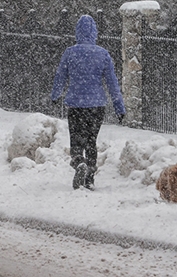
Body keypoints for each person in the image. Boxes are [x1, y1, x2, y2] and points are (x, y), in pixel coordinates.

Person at [51, 14, 126, 190]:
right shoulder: (103, 54)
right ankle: (90, 177)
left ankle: (78, 162)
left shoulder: (70, 53)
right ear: (94, 34)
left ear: (77, 32)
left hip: (76, 104)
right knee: (91, 140)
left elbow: (60, 77)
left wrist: (55, 96)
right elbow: (112, 83)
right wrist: (119, 108)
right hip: (96, 106)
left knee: (76, 139)